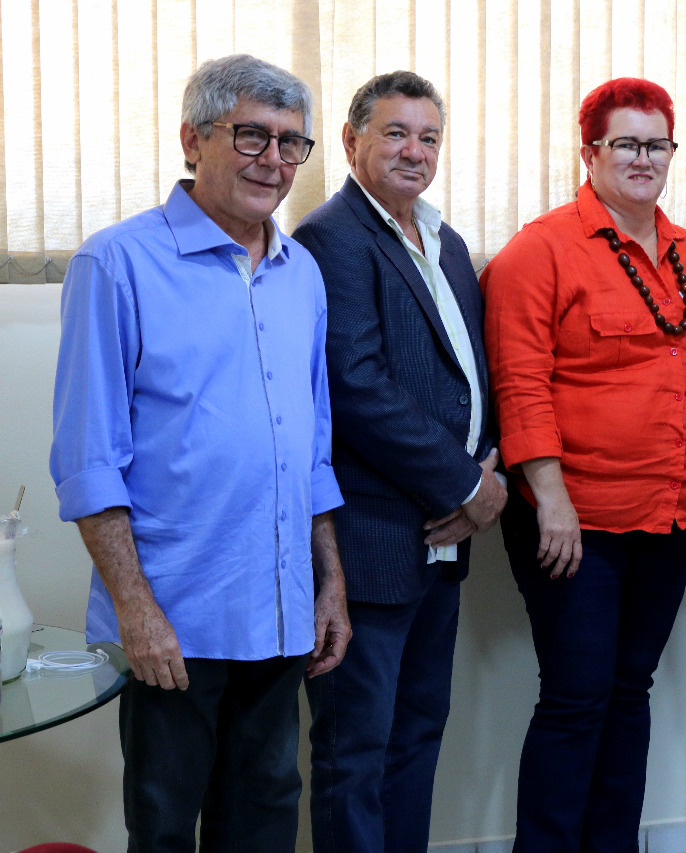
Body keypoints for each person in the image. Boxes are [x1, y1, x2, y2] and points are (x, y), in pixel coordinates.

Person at [49, 54, 349, 850]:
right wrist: (136, 610)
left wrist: (330, 584)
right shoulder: (116, 263)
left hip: (279, 611)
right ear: (193, 139)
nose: (274, 160)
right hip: (175, 619)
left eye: (291, 142)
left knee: (264, 820)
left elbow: (312, 451)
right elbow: (87, 461)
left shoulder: (302, 274)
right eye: (252, 135)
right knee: (164, 827)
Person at [480, 77, 686, 851]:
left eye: (657, 145)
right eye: (626, 143)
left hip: (668, 515)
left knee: (629, 693)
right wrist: (549, 495)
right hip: (575, 523)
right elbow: (519, 384)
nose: (643, 159)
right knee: (576, 698)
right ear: (590, 153)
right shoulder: (540, 251)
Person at [292, 71, 505, 853]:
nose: (414, 151)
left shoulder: (446, 242)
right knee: (355, 751)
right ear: (351, 141)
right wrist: (466, 484)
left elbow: (475, 375)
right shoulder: (331, 238)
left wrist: (490, 473)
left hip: (443, 543)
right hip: (372, 542)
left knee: (418, 734)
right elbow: (356, 386)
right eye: (395, 133)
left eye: (428, 137)